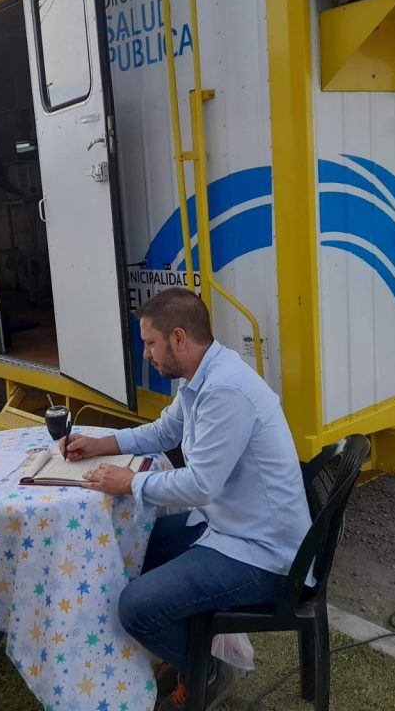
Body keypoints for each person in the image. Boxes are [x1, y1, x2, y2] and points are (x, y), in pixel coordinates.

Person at [63, 287, 312, 710]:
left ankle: (205, 668)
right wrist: (101, 443)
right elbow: (162, 432)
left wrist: (130, 483)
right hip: (232, 527)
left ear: (178, 338)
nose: (147, 354)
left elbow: (200, 485)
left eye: (150, 343)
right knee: (142, 542)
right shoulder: (205, 377)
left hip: (265, 555)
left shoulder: (225, 390)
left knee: (135, 606)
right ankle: (185, 643)